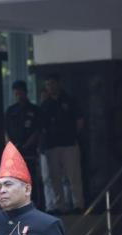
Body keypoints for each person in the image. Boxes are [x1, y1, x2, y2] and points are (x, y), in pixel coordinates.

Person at [40, 73, 85, 214]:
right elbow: (41, 126)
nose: (50, 87)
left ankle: (78, 204)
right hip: (52, 145)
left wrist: (72, 135)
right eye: (48, 84)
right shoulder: (45, 104)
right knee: (55, 177)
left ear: (59, 84)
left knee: (73, 175)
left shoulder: (70, 101)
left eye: (52, 83)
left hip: (68, 143)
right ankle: (60, 205)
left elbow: (79, 121)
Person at [4, 80, 43, 206]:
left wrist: (27, 145)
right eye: (16, 92)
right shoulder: (11, 110)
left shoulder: (34, 110)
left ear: (25, 92)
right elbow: (6, 131)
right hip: (15, 152)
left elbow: (37, 130)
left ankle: (33, 202)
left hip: (29, 152)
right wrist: (11, 147)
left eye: (20, 92)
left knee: (31, 178)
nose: (18, 95)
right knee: (16, 179)